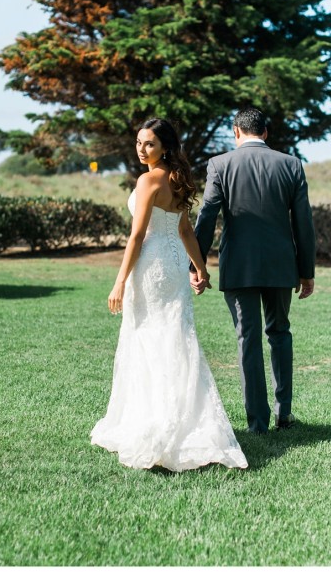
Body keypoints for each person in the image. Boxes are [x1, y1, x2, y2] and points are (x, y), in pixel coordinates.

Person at [90, 118, 248, 471]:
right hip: (174, 265)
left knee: (150, 337)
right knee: (175, 336)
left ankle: (156, 423)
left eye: (149, 144)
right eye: (138, 142)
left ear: (164, 147)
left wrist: (118, 282)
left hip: (151, 266)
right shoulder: (177, 179)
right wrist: (200, 267)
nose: (141, 149)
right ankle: (186, 421)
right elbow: (186, 231)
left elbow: (136, 237)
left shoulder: (149, 180)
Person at [191, 108, 316, 435]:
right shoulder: (291, 165)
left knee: (248, 340)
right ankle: (283, 413)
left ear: (236, 132)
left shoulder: (220, 165)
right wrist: (307, 270)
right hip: (280, 264)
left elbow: (206, 217)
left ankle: (257, 423)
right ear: (266, 131)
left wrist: (197, 264)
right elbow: (303, 223)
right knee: (280, 333)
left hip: (239, 267)